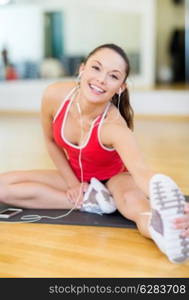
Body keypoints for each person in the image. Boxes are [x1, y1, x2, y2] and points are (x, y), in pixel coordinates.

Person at [0, 43, 189, 263]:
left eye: (113, 76)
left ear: (120, 87)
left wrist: (172, 204)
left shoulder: (115, 127)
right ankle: (93, 200)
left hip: (116, 178)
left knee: (136, 207)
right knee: (3, 188)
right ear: (82, 69)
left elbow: (141, 171)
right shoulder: (54, 96)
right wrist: (73, 184)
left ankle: (165, 232)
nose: (101, 79)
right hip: (77, 174)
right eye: (96, 68)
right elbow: (50, 141)